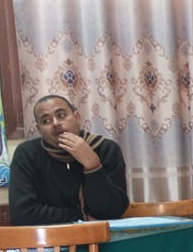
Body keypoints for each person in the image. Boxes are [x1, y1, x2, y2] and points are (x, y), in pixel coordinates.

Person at [9, 95, 129, 225]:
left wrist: (93, 167)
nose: (55, 123)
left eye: (61, 115)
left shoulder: (105, 149)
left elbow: (113, 211)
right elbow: (22, 215)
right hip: (49, 237)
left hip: (100, 236)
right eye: (46, 121)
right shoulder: (27, 154)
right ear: (39, 129)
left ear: (77, 117)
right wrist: (80, 216)